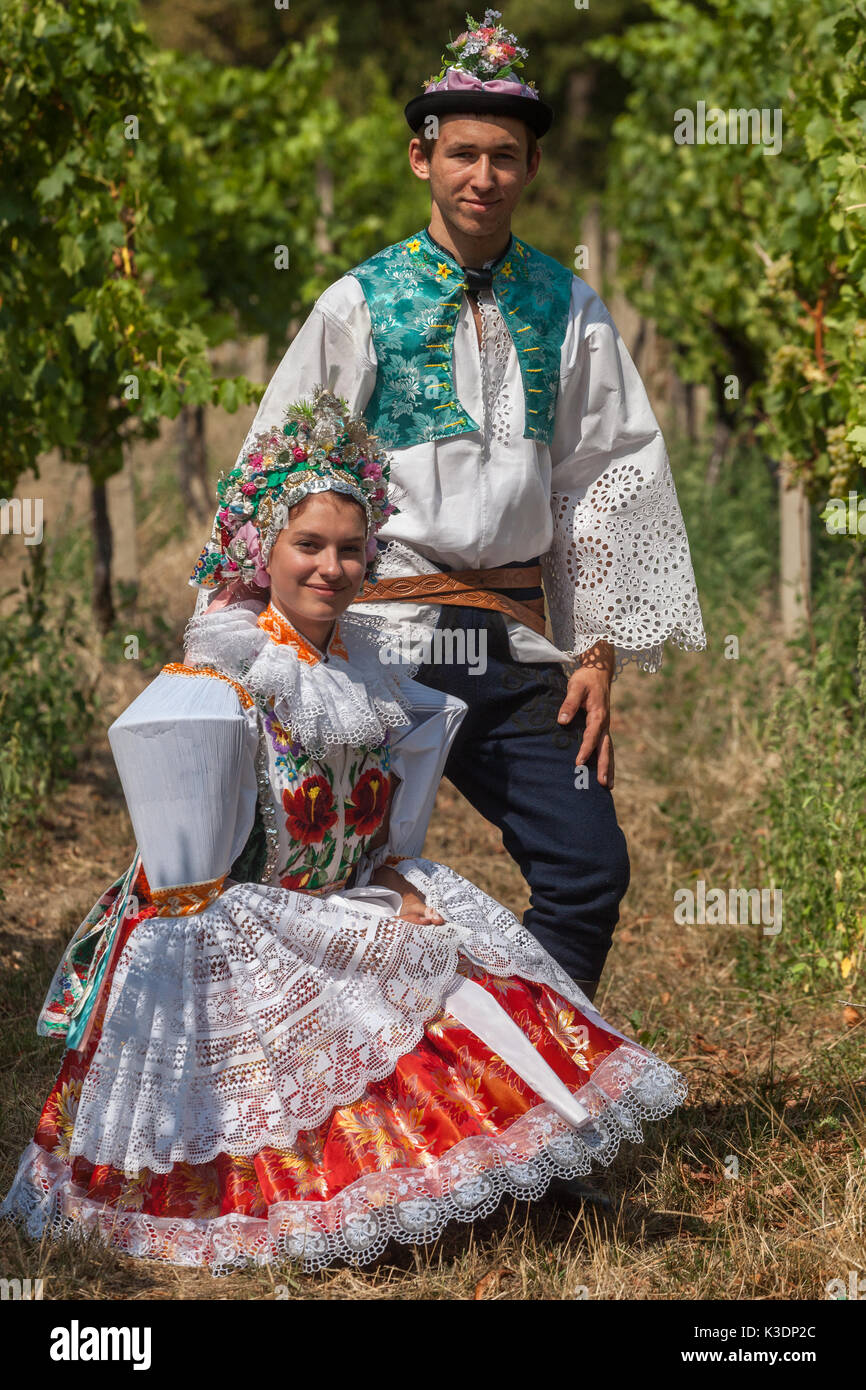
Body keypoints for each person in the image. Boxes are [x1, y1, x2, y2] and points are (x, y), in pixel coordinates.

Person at [1, 388, 687, 1274]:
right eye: (308, 546)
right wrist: (321, 923)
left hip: (343, 898)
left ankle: (495, 1183)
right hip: (246, 925)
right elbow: (188, 891)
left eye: (351, 549)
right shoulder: (223, 680)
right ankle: (337, 1203)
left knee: (470, 968)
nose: (331, 568)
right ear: (263, 551)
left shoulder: (368, 667)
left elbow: (374, 825)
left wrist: (394, 886)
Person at [202, 10, 708, 1004]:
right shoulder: (361, 303)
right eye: (463, 152)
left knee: (587, 869)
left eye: (506, 156)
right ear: (421, 158)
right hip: (380, 635)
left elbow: (606, 475)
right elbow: (281, 467)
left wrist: (596, 645)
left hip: (512, 643)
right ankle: (366, 1123)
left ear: (528, 169)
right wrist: (252, 647)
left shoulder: (568, 307)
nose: (484, 174)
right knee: (338, 877)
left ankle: (528, 1102)